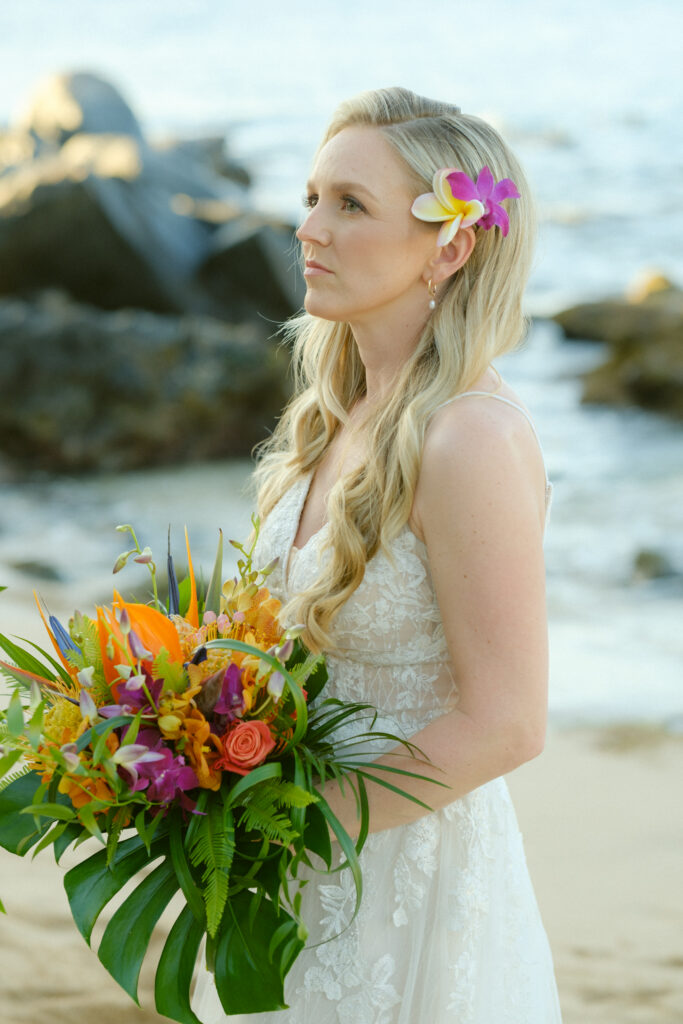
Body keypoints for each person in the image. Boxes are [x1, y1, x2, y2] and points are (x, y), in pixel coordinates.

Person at [193, 86, 563, 1023]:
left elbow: (508, 720)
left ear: (449, 244)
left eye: (349, 205)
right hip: (290, 875)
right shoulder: (342, 412)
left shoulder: (467, 438)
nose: (308, 228)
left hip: (400, 881)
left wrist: (299, 833)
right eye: (312, 196)